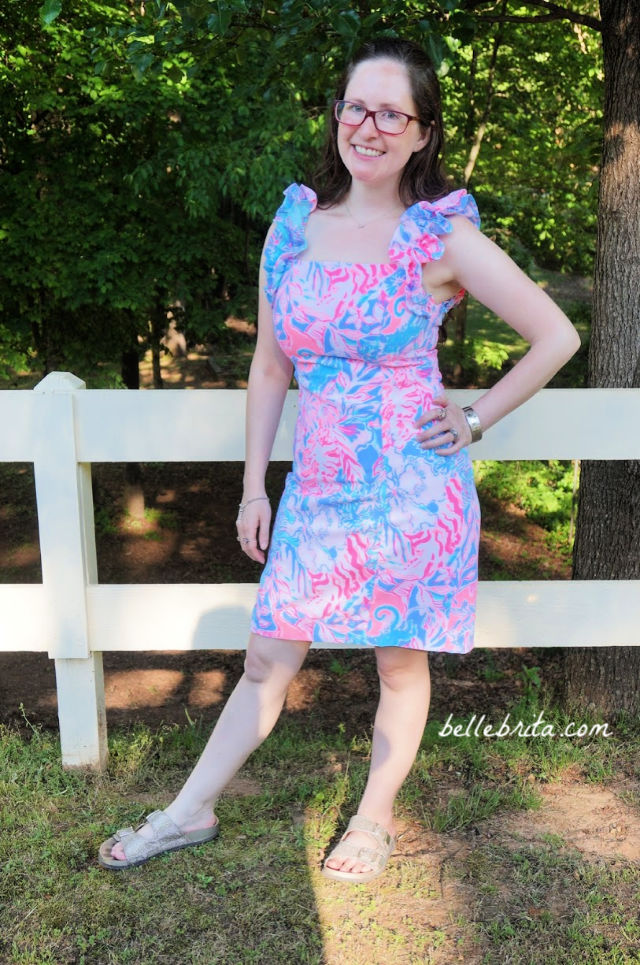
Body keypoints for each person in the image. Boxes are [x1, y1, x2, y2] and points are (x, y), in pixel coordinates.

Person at [99, 37, 581, 881]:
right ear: (338, 116)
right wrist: (254, 486)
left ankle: (373, 818)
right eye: (357, 106)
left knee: (399, 660)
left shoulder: (442, 238)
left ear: (423, 132)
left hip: (409, 489)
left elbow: (556, 334)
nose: (371, 125)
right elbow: (271, 365)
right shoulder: (294, 227)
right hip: (317, 490)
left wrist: (473, 419)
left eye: (393, 112)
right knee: (266, 657)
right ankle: (188, 811)